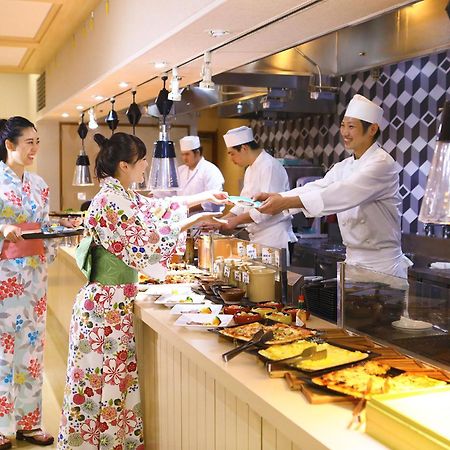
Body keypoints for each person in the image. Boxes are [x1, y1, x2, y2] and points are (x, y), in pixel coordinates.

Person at [57, 132, 226, 449]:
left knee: (111, 382)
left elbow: (157, 208)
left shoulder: (119, 195)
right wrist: (197, 218)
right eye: (142, 160)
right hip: (104, 308)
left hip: (110, 304)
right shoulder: (111, 201)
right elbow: (147, 237)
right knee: (100, 383)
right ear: (124, 165)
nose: (147, 165)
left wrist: (202, 201)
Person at [257, 94, 412, 278]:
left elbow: (342, 194)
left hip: (382, 267)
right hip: (353, 262)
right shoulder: (344, 166)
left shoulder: (382, 164)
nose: (345, 132)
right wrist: (279, 197)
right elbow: (318, 187)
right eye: (343, 125)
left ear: (372, 129)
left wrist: (286, 203)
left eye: (351, 126)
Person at [0, 116, 79, 448]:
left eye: (37, 142)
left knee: (32, 349)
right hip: (4, 276)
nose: (34, 148)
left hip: (34, 276)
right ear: (9, 145)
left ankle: (29, 423)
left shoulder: (39, 184)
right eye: (28, 142)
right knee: (4, 349)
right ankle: (2, 426)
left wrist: (62, 233)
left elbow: (44, 227)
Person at [219, 126, 296, 254]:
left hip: (274, 238)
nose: (231, 159)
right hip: (257, 237)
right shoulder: (249, 169)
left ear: (244, 148)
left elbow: (267, 209)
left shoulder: (269, 166)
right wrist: (222, 220)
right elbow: (243, 203)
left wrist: (234, 222)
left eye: (232, 153)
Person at [177, 135, 225, 212]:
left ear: (197, 153)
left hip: (204, 220)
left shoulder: (211, 170)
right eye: (182, 154)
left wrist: (184, 209)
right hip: (181, 217)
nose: (184, 158)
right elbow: (170, 192)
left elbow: (212, 200)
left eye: (187, 154)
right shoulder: (180, 170)